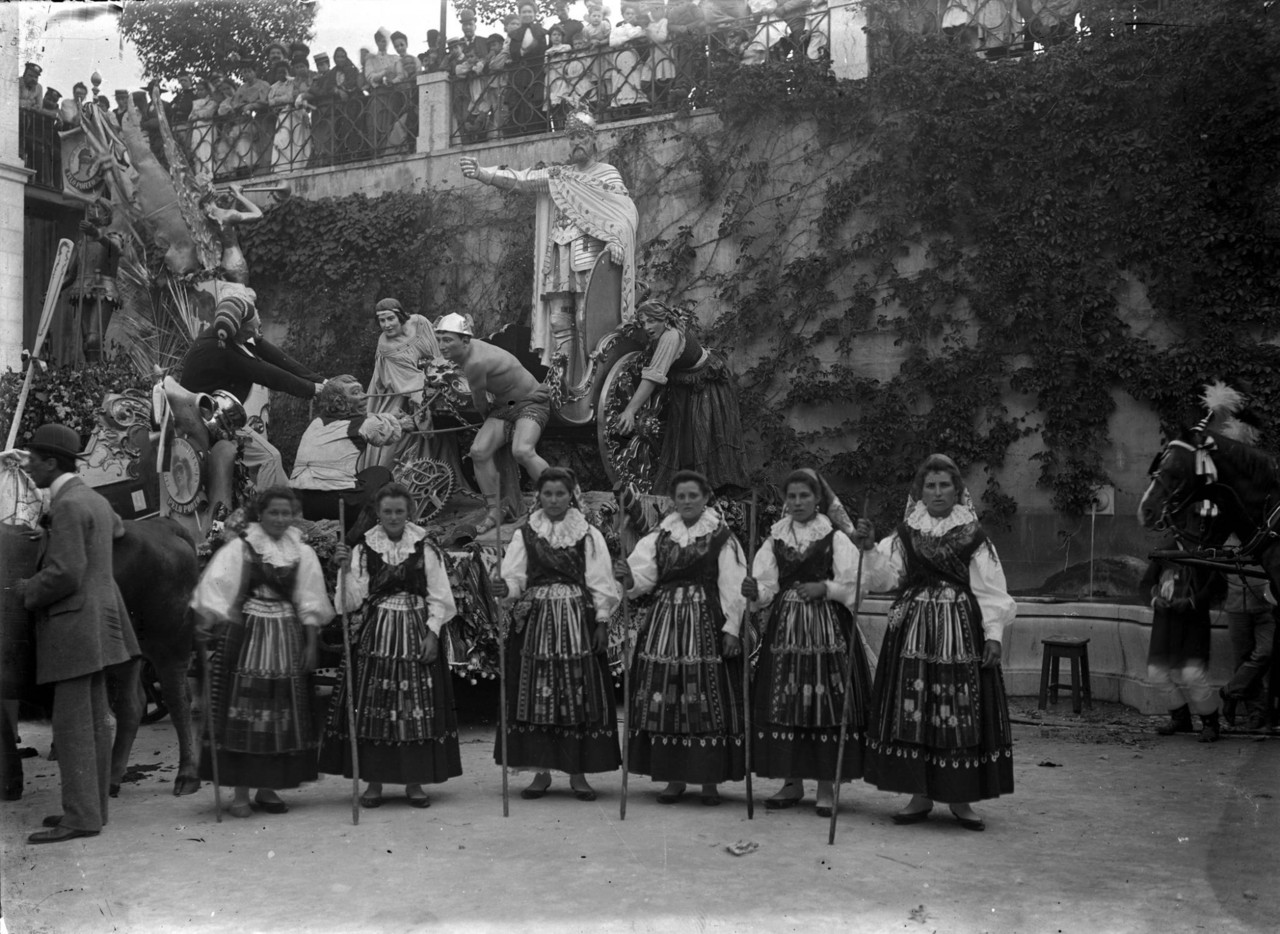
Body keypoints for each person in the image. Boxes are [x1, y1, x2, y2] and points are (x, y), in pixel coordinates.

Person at [859, 454, 1015, 830]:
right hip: (912, 635)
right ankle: (919, 795)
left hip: (960, 635)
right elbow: (883, 578)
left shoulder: (973, 535)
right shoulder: (906, 533)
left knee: (957, 707)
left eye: (945, 485)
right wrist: (869, 548)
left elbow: (991, 590)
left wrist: (994, 635)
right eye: (930, 485)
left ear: (958, 491)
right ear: (920, 492)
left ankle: (960, 798)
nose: (938, 492)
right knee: (914, 708)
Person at [13, 424, 140, 843]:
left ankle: (80, 817)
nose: (28, 467)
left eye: (33, 460)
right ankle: (92, 810)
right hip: (100, 624)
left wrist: (27, 590)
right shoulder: (94, 499)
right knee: (94, 723)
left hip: (72, 625)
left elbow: (66, 573)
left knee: (71, 728)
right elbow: (116, 532)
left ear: (52, 463)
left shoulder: (68, 505)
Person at [459, 110, 639, 378]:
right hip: (557, 259)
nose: (576, 142)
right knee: (559, 322)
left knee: (586, 320)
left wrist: (615, 240)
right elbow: (523, 180)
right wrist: (482, 173)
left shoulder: (606, 174)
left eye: (581, 136)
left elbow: (622, 213)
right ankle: (562, 382)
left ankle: (589, 382)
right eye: (572, 138)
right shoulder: (559, 176)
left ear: (593, 139)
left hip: (588, 257)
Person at [191, 487, 334, 817]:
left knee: (280, 714)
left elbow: (310, 600)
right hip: (247, 637)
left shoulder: (302, 552)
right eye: (274, 513)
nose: (280, 519)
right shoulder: (241, 548)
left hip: (286, 637)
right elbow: (216, 586)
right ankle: (241, 793)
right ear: (261, 514)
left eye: (286, 513)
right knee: (244, 711)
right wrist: (207, 620)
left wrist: (312, 645)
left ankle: (267, 788)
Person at [740, 469, 875, 817]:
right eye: (792, 496)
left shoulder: (835, 538)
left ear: (818, 500)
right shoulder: (775, 538)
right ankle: (792, 782)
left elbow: (856, 586)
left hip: (828, 632)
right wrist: (755, 591)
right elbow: (766, 586)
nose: (798, 502)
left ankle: (826, 787)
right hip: (785, 632)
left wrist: (825, 588)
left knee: (825, 702)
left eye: (805, 496)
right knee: (786, 700)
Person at [319, 483, 462, 807]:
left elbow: (440, 596)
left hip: (416, 631)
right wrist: (345, 571)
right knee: (377, 708)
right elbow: (349, 603)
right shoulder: (363, 549)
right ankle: (374, 783)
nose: (394, 517)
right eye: (388, 512)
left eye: (399, 511)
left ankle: (414, 783)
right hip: (377, 634)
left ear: (409, 512)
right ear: (378, 514)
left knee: (415, 709)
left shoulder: (425, 548)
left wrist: (432, 634)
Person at [613, 470, 748, 805]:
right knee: (666, 697)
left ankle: (709, 781)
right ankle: (673, 779)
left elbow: (733, 586)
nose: (687, 502)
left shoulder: (722, 537)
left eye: (693, 496)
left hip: (706, 626)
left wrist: (732, 628)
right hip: (664, 627)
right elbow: (642, 579)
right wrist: (627, 577)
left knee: (706, 699)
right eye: (681, 496)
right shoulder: (660, 536)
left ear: (706, 498)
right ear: (674, 500)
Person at [491, 467, 621, 800]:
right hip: (536, 627)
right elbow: (515, 579)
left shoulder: (588, 534)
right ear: (539, 496)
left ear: (571, 495)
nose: (553, 500)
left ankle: (578, 774)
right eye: (547, 494)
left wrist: (602, 621)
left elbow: (601, 581)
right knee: (538, 695)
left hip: (578, 622)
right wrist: (505, 587)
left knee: (577, 695)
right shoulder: (525, 534)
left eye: (560, 494)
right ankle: (541, 773)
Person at [178, 294, 323, 507]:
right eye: (250, 331)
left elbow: (279, 359)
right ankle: (276, 513)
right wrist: (311, 390)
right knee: (269, 458)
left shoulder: (237, 336)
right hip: (206, 427)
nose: (255, 334)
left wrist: (319, 381)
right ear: (238, 329)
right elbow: (268, 374)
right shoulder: (221, 350)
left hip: (222, 420)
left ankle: (271, 509)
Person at [614, 300, 751, 495]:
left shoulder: (670, 337)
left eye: (652, 321)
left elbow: (653, 376)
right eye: (643, 323)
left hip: (707, 386)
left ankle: (712, 495)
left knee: (703, 440)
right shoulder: (661, 334)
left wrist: (630, 410)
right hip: (686, 386)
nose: (647, 327)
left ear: (665, 319)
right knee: (687, 443)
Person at [435, 313, 551, 533]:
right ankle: (496, 510)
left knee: (523, 451)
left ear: (465, 340)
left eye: (448, 340)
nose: (442, 346)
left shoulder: (475, 362)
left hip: (530, 403)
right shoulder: (468, 353)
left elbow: (480, 402)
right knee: (478, 451)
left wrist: (486, 420)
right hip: (504, 407)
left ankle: (562, 499)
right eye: (439, 339)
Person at [288, 375, 407, 525]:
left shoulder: (316, 423)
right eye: (356, 393)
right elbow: (385, 433)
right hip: (335, 500)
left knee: (354, 482)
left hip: (300, 500)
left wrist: (389, 417)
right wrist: (401, 423)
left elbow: (366, 420)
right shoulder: (362, 424)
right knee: (381, 474)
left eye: (362, 391)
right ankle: (357, 535)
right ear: (339, 402)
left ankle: (344, 531)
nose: (365, 396)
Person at [1141, 548, 1225, 742]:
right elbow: (1145, 584)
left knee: (1193, 674)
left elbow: (1216, 586)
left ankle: (1210, 723)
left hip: (1194, 624)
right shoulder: (1165, 551)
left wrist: (1192, 602)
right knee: (1156, 673)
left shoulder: (1205, 551)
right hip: (1165, 623)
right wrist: (1154, 600)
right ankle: (1180, 718)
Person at [360, 297, 442, 471]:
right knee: (394, 439)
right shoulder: (386, 345)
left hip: (431, 382)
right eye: (382, 320)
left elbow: (437, 351)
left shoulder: (420, 323)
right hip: (400, 392)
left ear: (401, 316)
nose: (387, 325)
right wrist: (425, 395)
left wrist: (440, 372)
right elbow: (407, 381)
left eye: (391, 318)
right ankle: (386, 475)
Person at [1217, 535, 1274, 732]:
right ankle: (1256, 713)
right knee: (1243, 660)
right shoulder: (1227, 541)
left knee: (1266, 652)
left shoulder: (1264, 537)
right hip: (1237, 608)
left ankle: (1230, 691)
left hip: (1266, 607)